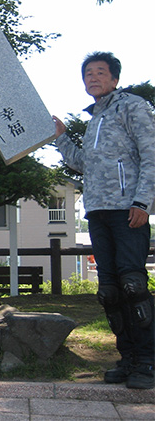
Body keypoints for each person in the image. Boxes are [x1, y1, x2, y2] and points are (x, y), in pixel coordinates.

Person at [54, 51, 155, 390]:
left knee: (133, 285)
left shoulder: (132, 106)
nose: (92, 78)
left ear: (114, 78)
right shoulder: (95, 117)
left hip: (128, 209)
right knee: (110, 291)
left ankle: (147, 361)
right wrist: (61, 136)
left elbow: (151, 153)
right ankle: (127, 359)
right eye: (87, 74)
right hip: (97, 211)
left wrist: (143, 202)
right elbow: (85, 163)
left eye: (99, 72)